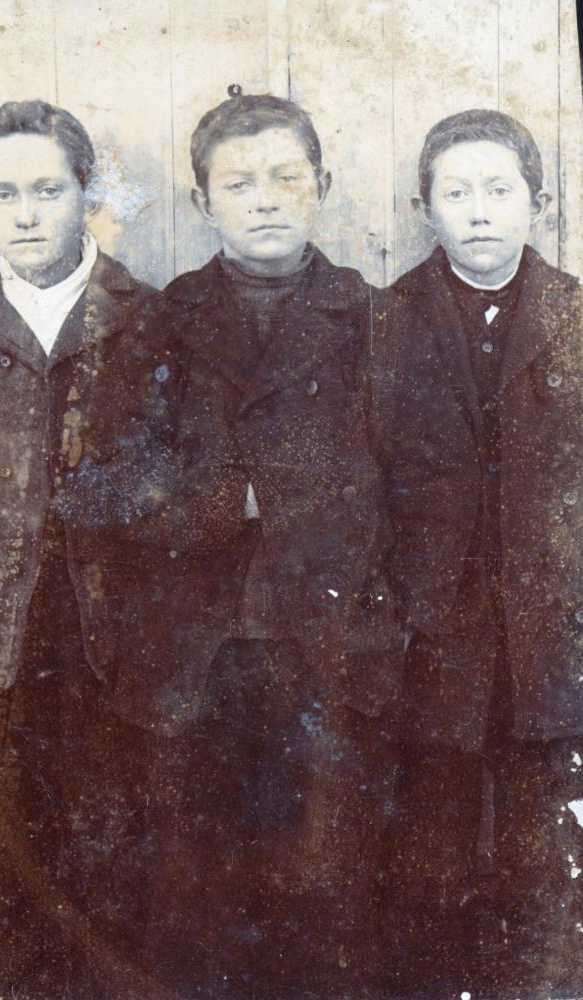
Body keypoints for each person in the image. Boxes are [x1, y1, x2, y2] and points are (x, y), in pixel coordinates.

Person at [133, 87, 407, 1000]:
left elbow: (426, 489)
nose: (265, 201)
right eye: (239, 183)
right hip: (198, 656)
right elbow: (109, 484)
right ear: (202, 201)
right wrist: (227, 501)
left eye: (287, 178)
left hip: (333, 652)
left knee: (327, 888)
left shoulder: (372, 318)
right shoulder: (164, 319)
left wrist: (388, 618)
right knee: (201, 895)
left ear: (322, 186)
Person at [0, 99, 175, 1000]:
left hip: (118, 656)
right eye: (3, 195)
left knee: (116, 873)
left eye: (48, 190)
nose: (26, 214)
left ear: (86, 195)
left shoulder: (147, 318)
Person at [386, 108, 583, 999]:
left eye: (499, 191)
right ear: (424, 209)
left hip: (554, 648)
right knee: (432, 857)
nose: (478, 211)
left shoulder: (573, 314)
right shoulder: (387, 322)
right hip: (435, 646)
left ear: (537, 202)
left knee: (549, 864)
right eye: (456, 193)